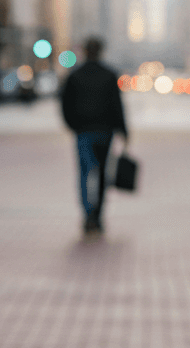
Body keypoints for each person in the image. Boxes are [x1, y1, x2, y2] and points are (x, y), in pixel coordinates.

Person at [59, 37, 127, 233]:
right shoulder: (108, 74)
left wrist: (73, 125)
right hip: (104, 133)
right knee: (102, 173)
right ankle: (97, 213)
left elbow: (65, 104)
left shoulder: (75, 75)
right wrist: (123, 130)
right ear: (100, 52)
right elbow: (117, 106)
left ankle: (88, 212)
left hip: (84, 132)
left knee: (85, 172)